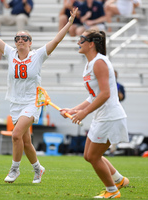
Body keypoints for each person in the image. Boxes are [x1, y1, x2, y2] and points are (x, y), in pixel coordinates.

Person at [0, 8, 78, 183]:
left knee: (15, 135)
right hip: (15, 102)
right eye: (17, 38)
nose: (20, 40)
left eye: (24, 38)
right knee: (25, 141)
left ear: (30, 42)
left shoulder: (37, 55)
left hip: (32, 102)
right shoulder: (10, 53)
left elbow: (57, 39)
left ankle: (14, 169)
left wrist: (69, 23)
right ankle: (38, 169)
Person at [60, 29, 129, 198]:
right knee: (88, 155)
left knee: (93, 156)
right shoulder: (90, 63)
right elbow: (93, 96)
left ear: (91, 44)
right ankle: (119, 180)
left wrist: (83, 113)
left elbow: (105, 94)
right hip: (101, 116)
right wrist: (74, 109)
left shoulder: (99, 62)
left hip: (110, 116)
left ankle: (112, 191)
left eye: (81, 39)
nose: (78, 42)